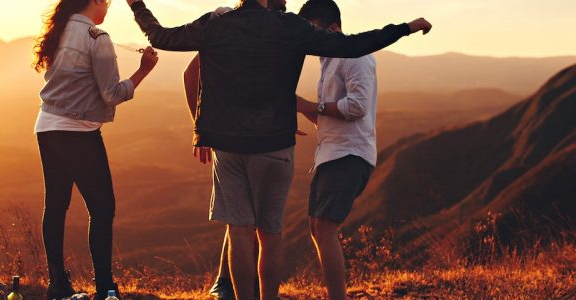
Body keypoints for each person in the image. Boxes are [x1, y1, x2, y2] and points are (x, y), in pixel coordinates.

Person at [128, 0, 431, 298]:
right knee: (269, 236)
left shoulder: (216, 23)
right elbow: (353, 45)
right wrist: (405, 27)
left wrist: (137, 4)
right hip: (275, 144)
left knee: (239, 234)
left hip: (228, 145)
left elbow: (160, 36)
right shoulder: (289, 26)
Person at [33, 0, 158, 299]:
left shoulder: (60, 30)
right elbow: (111, 94)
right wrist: (144, 71)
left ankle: (58, 284)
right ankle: (105, 286)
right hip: (78, 132)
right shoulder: (97, 38)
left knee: (56, 205)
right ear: (96, 2)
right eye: (107, 2)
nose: (108, 7)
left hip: (46, 126)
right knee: (102, 209)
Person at [182, 2, 289, 299]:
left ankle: (230, 284)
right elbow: (190, 75)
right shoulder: (228, 23)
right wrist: (201, 128)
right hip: (236, 139)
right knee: (248, 224)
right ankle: (228, 284)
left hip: (243, 139)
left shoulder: (259, 32)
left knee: (243, 222)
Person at [294, 1, 382, 299]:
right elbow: (327, 118)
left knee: (324, 225)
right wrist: (299, 106)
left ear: (332, 27)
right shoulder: (328, 61)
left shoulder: (355, 56)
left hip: (350, 153)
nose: (308, 38)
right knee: (317, 227)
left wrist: (308, 105)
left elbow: (356, 106)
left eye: (312, 30)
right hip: (331, 153)